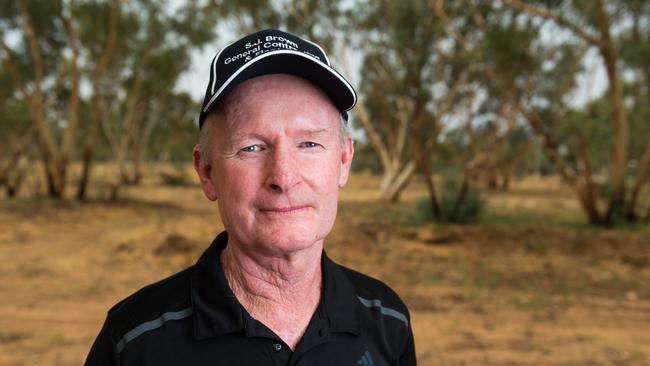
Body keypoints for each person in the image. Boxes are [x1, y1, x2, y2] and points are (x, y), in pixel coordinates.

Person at [85, 29, 416, 366]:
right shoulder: (136, 340)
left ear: (344, 161)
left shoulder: (388, 321)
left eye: (309, 144)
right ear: (207, 172)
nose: (283, 178)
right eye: (252, 147)